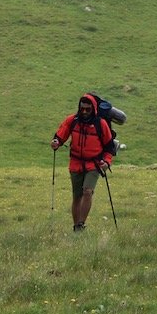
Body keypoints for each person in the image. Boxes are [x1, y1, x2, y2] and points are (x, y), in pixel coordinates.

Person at [51, 93, 115, 232]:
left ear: (93, 109)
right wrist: (56, 142)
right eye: (82, 109)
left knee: (87, 191)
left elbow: (110, 147)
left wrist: (107, 162)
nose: (84, 112)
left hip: (94, 164)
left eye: (88, 109)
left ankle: (81, 225)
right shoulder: (72, 120)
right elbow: (60, 135)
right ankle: (76, 227)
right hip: (75, 163)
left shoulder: (101, 124)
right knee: (77, 196)